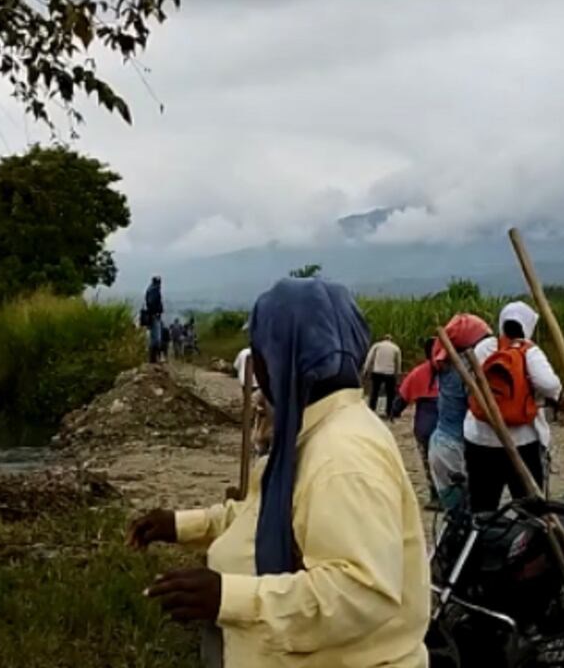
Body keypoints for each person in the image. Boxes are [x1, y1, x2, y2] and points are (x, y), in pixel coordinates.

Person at [128, 278, 429, 667]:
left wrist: (227, 597)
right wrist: (183, 525)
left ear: (282, 357)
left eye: (262, 353)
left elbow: (361, 592)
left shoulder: (341, 457)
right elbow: (265, 516)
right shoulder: (309, 435)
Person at [463, 301, 563, 512]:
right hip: (521, 441)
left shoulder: (484, 347)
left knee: (482, 507)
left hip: (479, 439)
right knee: (530, 508)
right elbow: (550, 385)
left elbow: (469, 380)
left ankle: (481, 543)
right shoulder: (530, 352)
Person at [429, 313, 492, 513]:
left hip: (441, 444)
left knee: (455, 518)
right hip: (455, 449)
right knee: (465, 516)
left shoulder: (446, 363)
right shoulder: (464, 369)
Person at [396, 338, 441, 505]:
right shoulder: (452, 372)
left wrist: (395, 412)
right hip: (448, 424)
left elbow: (402, 397)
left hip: (425, 423)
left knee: (428, 460)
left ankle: (436, 495)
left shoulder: (418, 372)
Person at [364, 334, 402, 417]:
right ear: (391, 340)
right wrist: (398, 373)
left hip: (377, 371)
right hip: (389, 372)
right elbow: (398, 362)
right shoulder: (395, 347)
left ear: (383, 339)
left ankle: (371, 409)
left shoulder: (377, 345)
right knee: (390, 393)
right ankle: (389, 411)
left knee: (375, 391)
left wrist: (366, 370)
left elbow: (369, 358)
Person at [146, 276, 164, 364]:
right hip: (154, 316)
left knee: (153, 337)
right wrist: (156, 312)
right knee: (156, 338)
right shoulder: (154, 290)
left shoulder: (150, 289)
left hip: (151, 316)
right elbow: (151, 302)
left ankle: (153, 359)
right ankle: (154, 359)